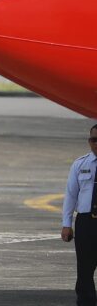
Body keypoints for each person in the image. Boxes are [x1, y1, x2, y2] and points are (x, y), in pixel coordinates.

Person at [62, 123, 97, 306]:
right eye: (93, 139)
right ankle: (86, 302)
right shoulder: (80, 164)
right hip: (86, 222)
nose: (96, 143)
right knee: (84, 269)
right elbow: (71, 195)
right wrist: (66, 224)